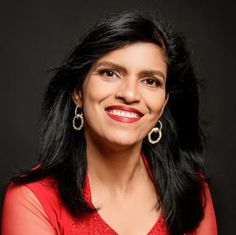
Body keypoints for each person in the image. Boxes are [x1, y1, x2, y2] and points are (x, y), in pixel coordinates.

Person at [1, 11, 217, 235]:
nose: (130, 94)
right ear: (78, 91)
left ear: (163, 103)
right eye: (110, 73)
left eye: (150, 81)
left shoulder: (191, 191)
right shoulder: (32, 198)